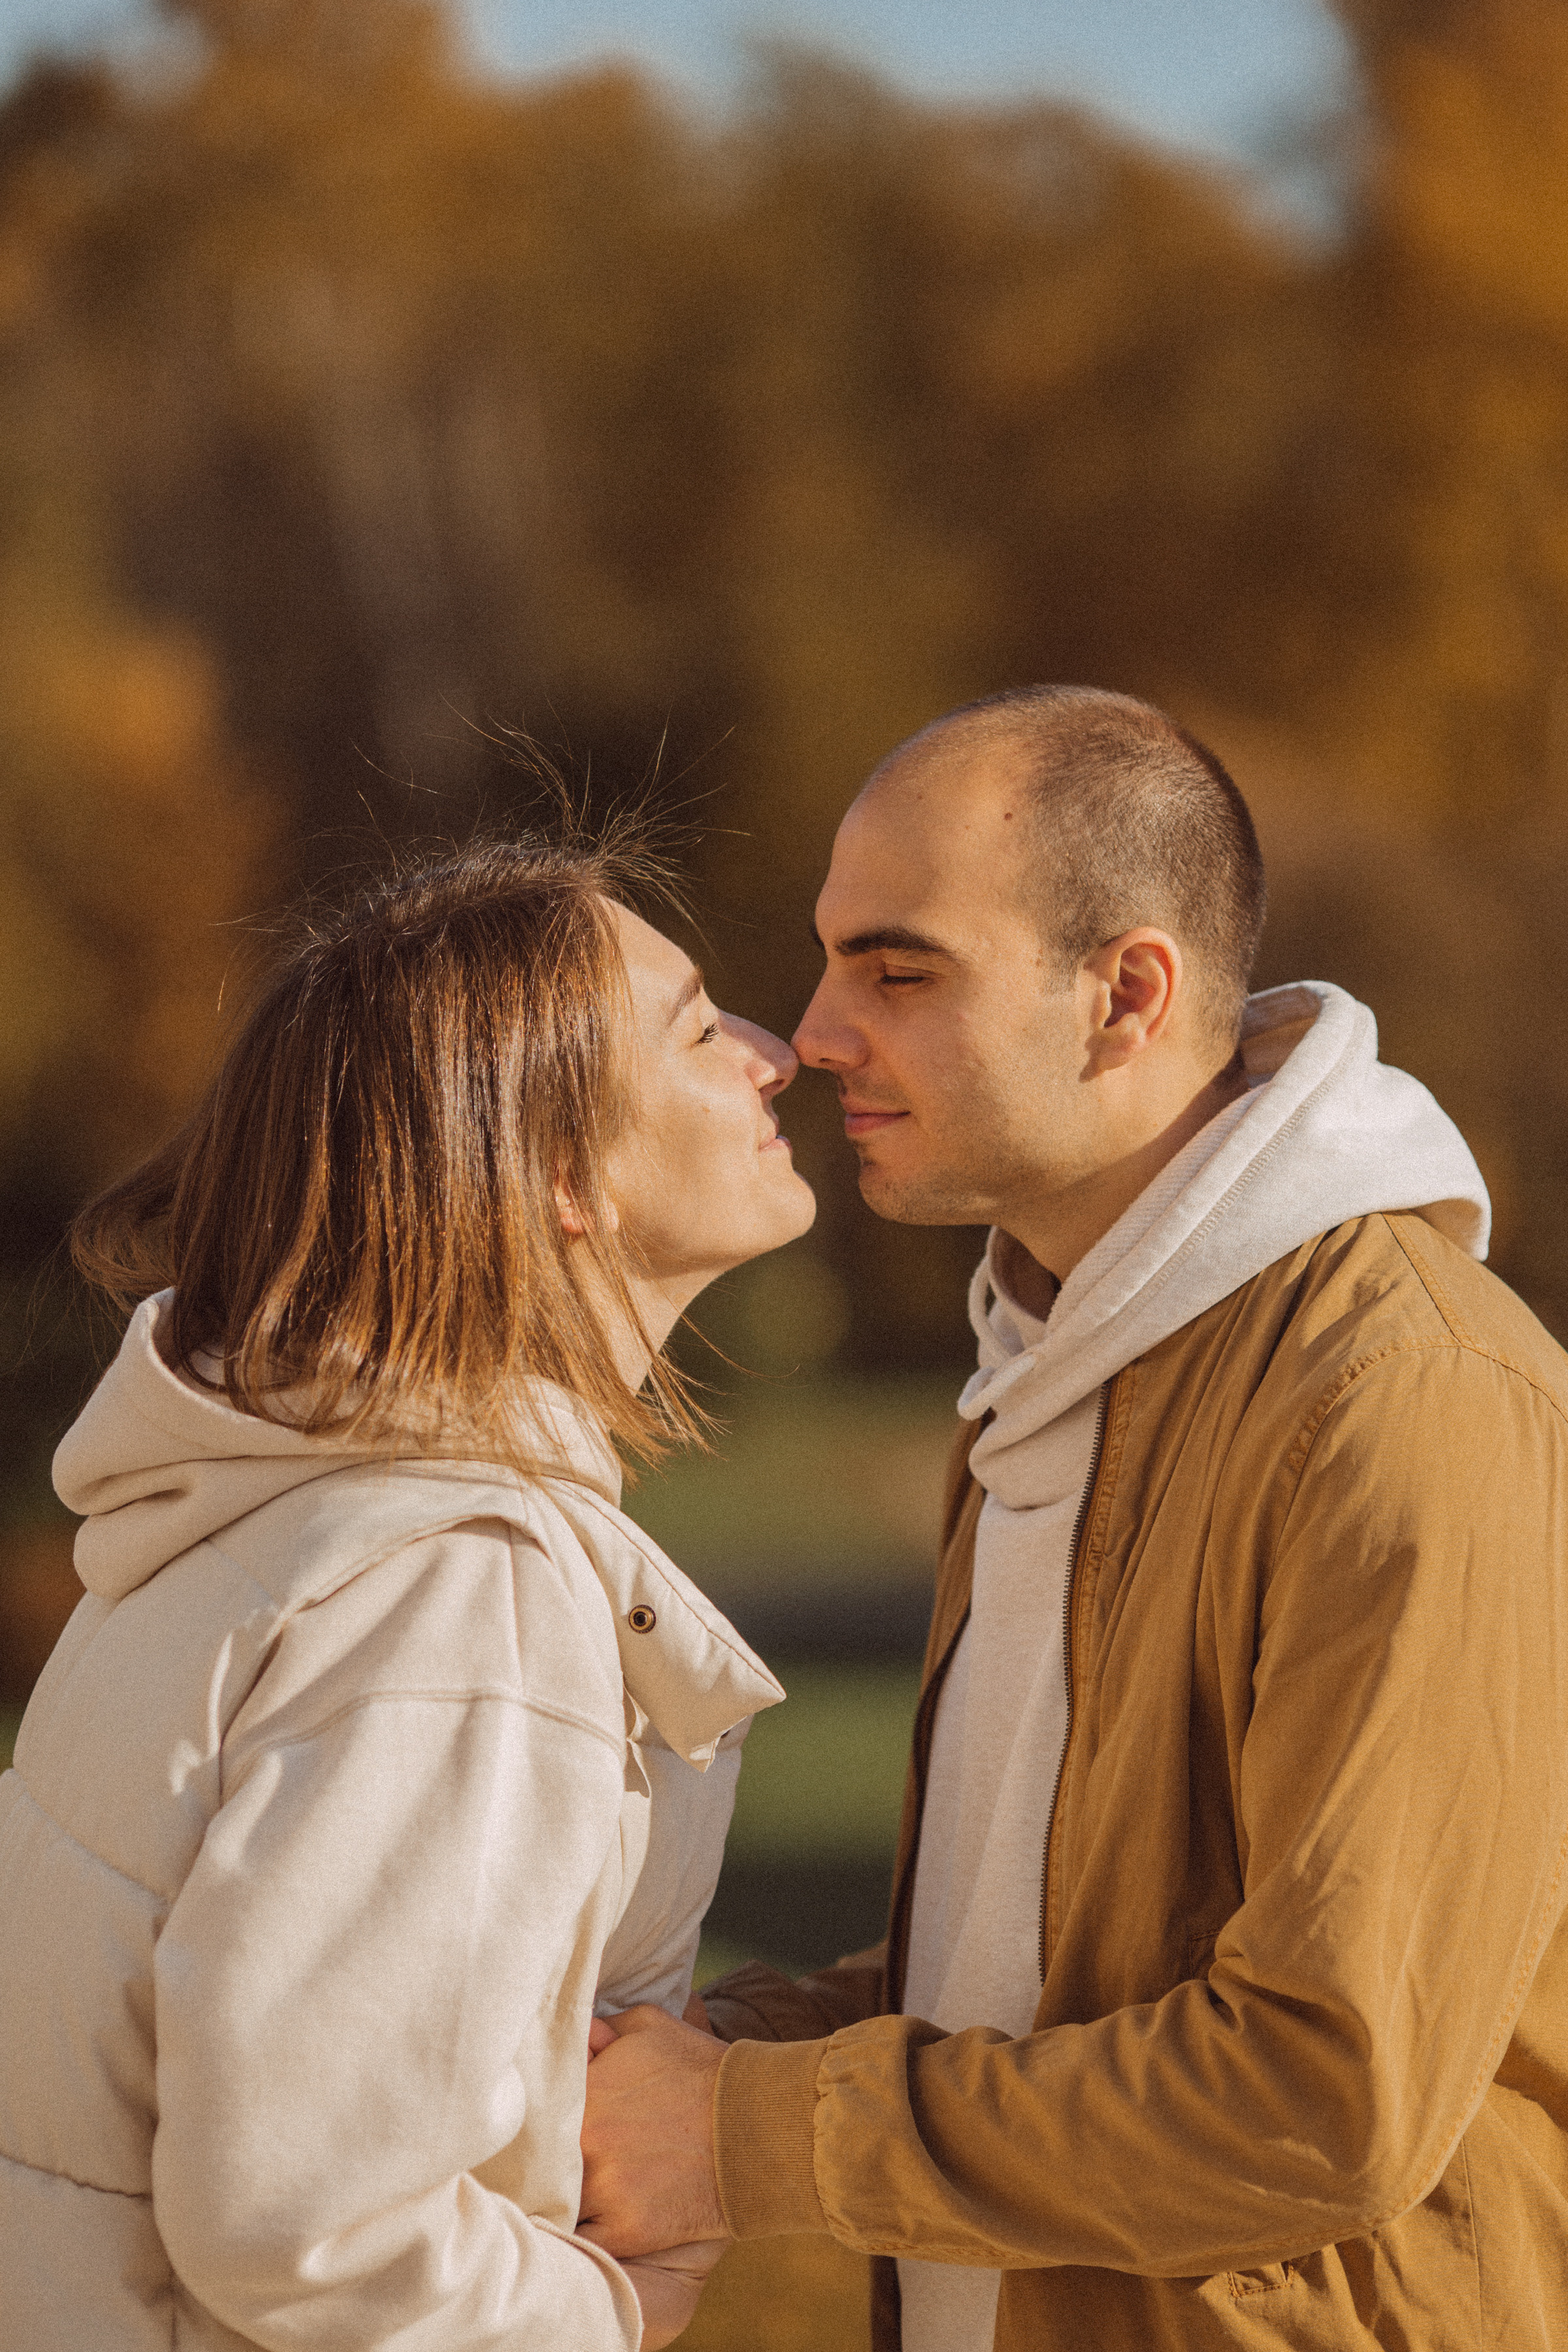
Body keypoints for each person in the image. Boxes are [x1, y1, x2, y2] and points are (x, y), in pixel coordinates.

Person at [578, 687, 1568, 2351]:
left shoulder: (1404, 1400)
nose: (813, 1033)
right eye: (831, 961)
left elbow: (1325, 2095)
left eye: (899, 972)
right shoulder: (1047, 1368)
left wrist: (746, 2139)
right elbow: (1016, 1988)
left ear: (1124, 996)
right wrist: (683, 2061)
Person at [0, 828, 817, 2351]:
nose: (778, 1054)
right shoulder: (454, 1594)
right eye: (701, 1030)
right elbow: (316, 2223)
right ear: (565, 1176)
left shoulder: (281, 1529)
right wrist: (614, 2308)